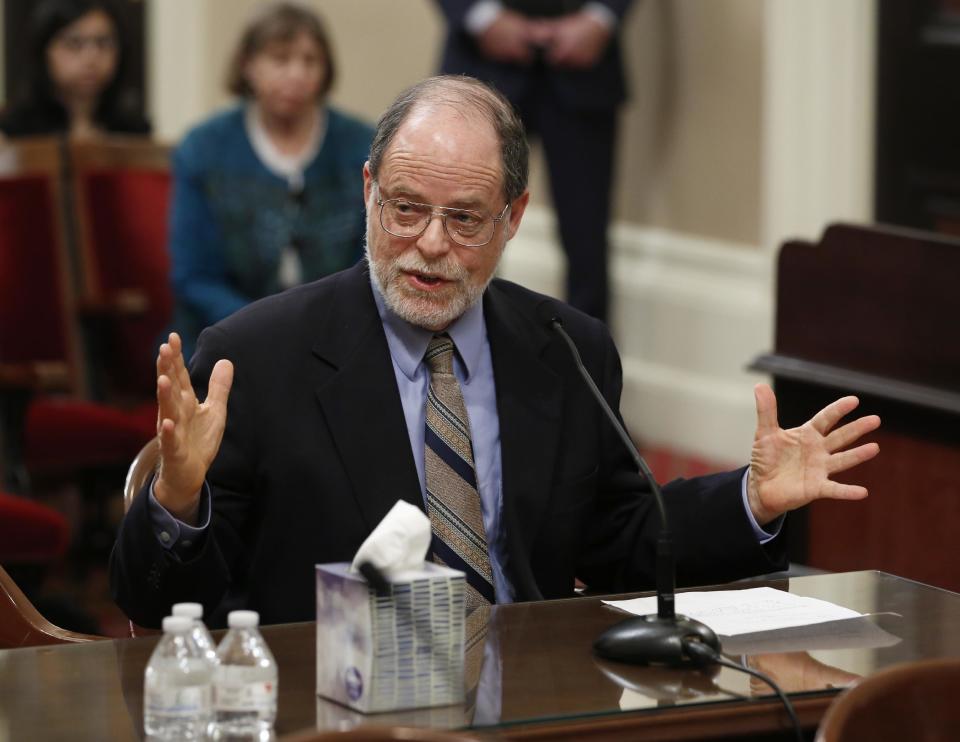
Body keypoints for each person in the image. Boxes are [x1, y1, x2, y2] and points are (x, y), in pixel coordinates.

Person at [110, 76, 880, 629]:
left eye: (466, 219)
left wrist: (752, 498)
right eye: (406, 209)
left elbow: (623, 541)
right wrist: (177, 502)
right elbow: (160, 607)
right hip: (340, 711)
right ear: (369, 190)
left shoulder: (565, 349)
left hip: (538, 704)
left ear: (513, 218)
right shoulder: (257, 357)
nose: (430, 246)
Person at [168, 2, 373, 358]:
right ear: (248, 66)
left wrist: (317, 327)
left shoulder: (360, 146)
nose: (297, 74)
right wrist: (264, 327)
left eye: (310, 61)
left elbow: (370, 262)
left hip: (334, 336)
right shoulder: (204, 148)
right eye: (280, 59)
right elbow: (193, 276)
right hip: (224, 336)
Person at [436, 0, 634, 322]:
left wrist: (601, 17)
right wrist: (480, 16)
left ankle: (587, 368)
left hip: (586, 71)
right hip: (480, 62)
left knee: (587, 242)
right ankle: (450, 356)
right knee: (461, 226)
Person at [0, 0, 149, 140]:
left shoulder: (134, 130)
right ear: (44, 51)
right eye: (74, 43)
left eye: (103, 43)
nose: (91, 58)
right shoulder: (13, 131)